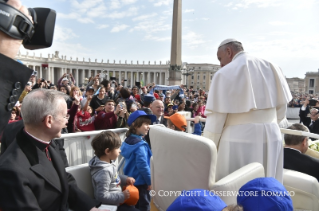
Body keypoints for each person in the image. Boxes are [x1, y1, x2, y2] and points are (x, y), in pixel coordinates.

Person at [0, 89, 104, 211]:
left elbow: (64, 179)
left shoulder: (49, 143)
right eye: (65, 116)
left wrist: (90, 207)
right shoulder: (11, 170)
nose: (66, 121)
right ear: (49, 121)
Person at [204, 39, 292, 182]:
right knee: (268, 184)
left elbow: (215, 123)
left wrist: (208, 147)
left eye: (220, 59)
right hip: (272, 135)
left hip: (238, 138)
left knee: (237, 187)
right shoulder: (272, 66)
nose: (220, 64)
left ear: (229, 52)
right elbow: (281, 109)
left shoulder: (223, 73)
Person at [89, 131, 139, 211]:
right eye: (117, 148)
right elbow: (101, 196)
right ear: (107, 151)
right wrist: (122, 196)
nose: (120, 150)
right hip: (110, 206)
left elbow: (114, 177)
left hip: (117, 201)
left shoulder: (107, 163)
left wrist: (125, 179)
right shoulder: (104, 171)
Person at [120, 110, 156, 211]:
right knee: (144, 207)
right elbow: (143, 165)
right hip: (142, 183)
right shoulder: (140, 145)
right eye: (145, 124)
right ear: (135, 125)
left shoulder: (127, 141)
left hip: (130, 181)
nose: (148, 126)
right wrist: (150, 181)